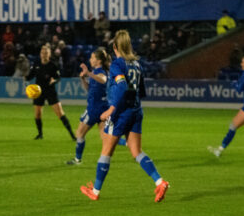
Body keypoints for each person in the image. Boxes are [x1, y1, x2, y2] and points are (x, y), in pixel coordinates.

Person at [80, 30, 170, 202]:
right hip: (136, 110)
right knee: (136, 151)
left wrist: (111, 109)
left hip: (121, 113)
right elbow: (141, 91)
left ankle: (96, 191)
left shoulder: (117, 65)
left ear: (114, 47)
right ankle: (160, 181)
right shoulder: (137, 64)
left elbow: (121, 87)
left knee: (106, 151)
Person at [66, 49, 126, 165]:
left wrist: (88, 73)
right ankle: (126, 142)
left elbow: (103, 80)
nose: (90, 59)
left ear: (98, 60)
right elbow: (89, 89)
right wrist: (83, 79)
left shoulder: (101, 72)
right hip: (103, 109)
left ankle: (78, 159)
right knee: (106, 137)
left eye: (92, 57)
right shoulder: (97, 72)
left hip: (94, 109)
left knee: (79, 134)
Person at [27, 44, 75, 140]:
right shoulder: (36, 64)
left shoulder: (53, 65)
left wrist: (55, 80)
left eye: (46, 53)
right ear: (40, 54)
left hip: (50, 91)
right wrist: (25, 76)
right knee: (37, 114)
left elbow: (58, 77)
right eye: (42, 53)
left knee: (60, 113)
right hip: (38, 91)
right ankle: (40, 134)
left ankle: (72, 135)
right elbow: (30, 76)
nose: (44, 54)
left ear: (49, 54)